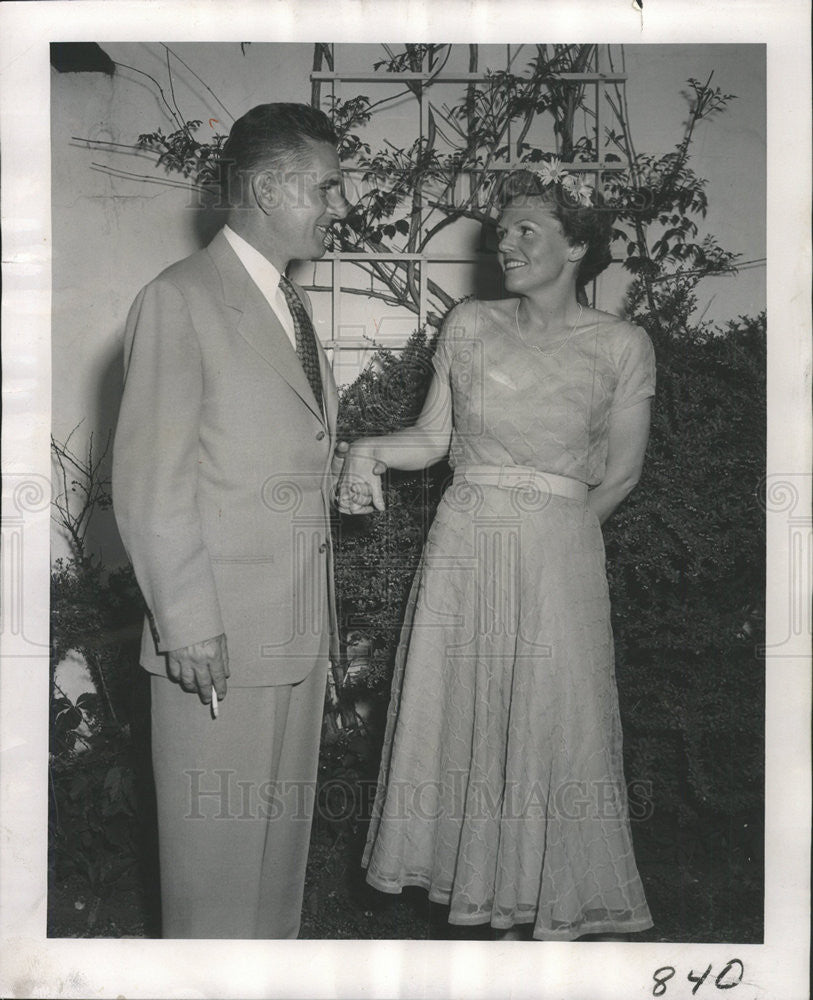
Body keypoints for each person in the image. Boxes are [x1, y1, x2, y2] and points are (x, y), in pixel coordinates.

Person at [338, 164, 655, 940]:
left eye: (527, 231)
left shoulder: (620, 345)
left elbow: (619, 476)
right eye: (501, 230)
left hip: (557, 554)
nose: (505, 245)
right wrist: (368, 449)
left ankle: (544, 909)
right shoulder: (469, 327)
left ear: (577, 244)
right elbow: (433, 440)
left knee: (553, 721)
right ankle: (484, 899)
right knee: (465, 717)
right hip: (464, 548)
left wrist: (558, 531)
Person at [112, 103, 350, 938]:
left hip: (291, 639)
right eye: (326, 186)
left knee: (271, 880)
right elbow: (150, 482)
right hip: (217, 643)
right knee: (213, 884)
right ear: (265, 185)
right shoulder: (180, 301)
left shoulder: (286, 305)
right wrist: (188, 628)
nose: (339, 205)